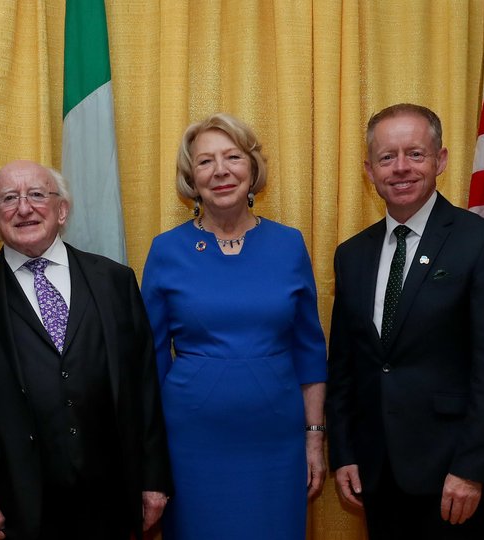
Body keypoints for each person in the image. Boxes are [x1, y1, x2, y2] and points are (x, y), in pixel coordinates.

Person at [325, 103, 484, 539]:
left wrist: (472, 469)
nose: (401, 168)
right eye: (387, 157)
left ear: (441, 160)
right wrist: (343, 453)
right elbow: (344, 363)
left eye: (415, 154)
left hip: (453, 475)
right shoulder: (352, 255)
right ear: (369, 169)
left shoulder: (483, 243)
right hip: (376, 473)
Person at [0, 160, 173, 540]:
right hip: (19, 500)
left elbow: (144, 388)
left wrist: (153, 478)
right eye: (8, 199)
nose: (24, 208)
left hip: (111, 495)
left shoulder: (116, 281)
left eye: (37, 195)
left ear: (62, 209)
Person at [140, 113, 328, 539]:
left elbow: (310, 351)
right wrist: (152, 456)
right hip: (191, 442)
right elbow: (148, 360)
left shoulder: (289, 243)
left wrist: (314, 438)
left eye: (232, 157)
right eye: (205, 161)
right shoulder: (166, 250)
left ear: (252, 167)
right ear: (192, 177)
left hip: (276, 440)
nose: (221, 171)